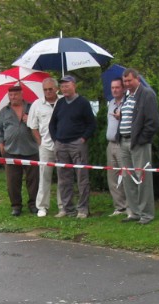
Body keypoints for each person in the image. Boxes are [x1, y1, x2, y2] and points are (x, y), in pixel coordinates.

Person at [48, 75, 96, 219]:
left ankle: (83, 209)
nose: (64, 89)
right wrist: (55, 139)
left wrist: (83, 138)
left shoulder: (83, 103)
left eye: (67, 86)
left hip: (77, 144)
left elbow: (91, 124)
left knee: (82, 178)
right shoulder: (60, 103)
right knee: (63, 178)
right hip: (61, 144)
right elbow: (52, 123)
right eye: (62, 86)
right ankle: (67, 208)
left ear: (74, 86)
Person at [117, 68, 159, 225]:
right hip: (124, 141)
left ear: (137, 79)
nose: (127, 84)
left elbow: (153, 121)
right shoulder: (127, 96)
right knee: (128, 179)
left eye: (129, 80)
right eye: (125, 81)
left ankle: (146, 214)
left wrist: (142, 139)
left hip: (138, 143)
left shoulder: (147, 94)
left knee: (142, 178)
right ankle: (134, 212)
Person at [0, 84, 40, 216]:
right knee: (12, 181)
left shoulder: (32, 108)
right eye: (11, 95)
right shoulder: (4, 111)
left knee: (34, 180)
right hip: (11, 151)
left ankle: (33, 204)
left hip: (31, 149)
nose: (13, 97)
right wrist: (0, 143)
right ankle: (16, 206)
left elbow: (41, 125)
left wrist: (30, 121)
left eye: (15, 95)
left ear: (21, 95)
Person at [27, 77, 60, 217]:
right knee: (44, 176)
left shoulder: (63, 101)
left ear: (56, 89)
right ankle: (42, 206)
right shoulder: (37, 104)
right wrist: (40, 142)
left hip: (62, 145)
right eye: (45, 90)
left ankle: (63, 205)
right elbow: (33, 126)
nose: (48, 92)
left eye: (50, 89)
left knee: (63, 177)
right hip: (46, 146)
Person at [105, 77, 127, 216]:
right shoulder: (111, 103)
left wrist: (122, 117)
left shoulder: (127, 103)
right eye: (112, 87)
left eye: (117, 87)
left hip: (122, 143)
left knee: (126, 175)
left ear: (123, 88)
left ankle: (130, 205)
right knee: (112, 177)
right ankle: (119, 207)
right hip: (110, 143)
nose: (114, 90)